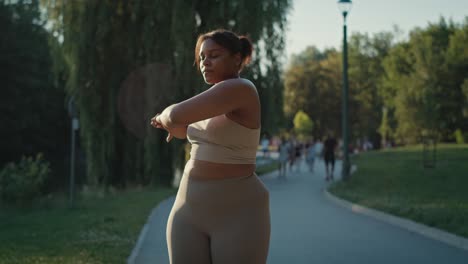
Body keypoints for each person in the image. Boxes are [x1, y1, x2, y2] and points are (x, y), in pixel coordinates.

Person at [150, 29, 270, 264]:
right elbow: (193, 131)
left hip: (237, 212)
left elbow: (175, 115)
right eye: (202, 57)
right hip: (189, 209)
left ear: (236, 58)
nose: (205, 62)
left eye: (214, 55)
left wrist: (165, 116)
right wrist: (178, 128)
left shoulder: (242, 89)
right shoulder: (212, 100)